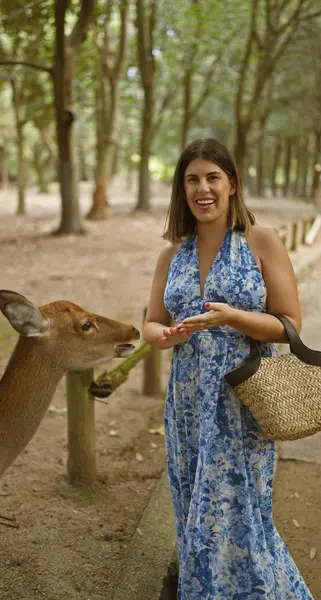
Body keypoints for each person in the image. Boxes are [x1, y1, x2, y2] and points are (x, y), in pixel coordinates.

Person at [143, 138, 313, 599]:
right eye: (193, 180)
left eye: (212, 178)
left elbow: (289, 324)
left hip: (242, 399)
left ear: (232, 184)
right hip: (187, 404)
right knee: (195, 517)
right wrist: (163, 335)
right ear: (182, 190)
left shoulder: (261, 241)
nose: (203, 189)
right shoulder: (171, 254)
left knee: (241, 515)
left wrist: (232, 317)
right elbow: (152, 323)